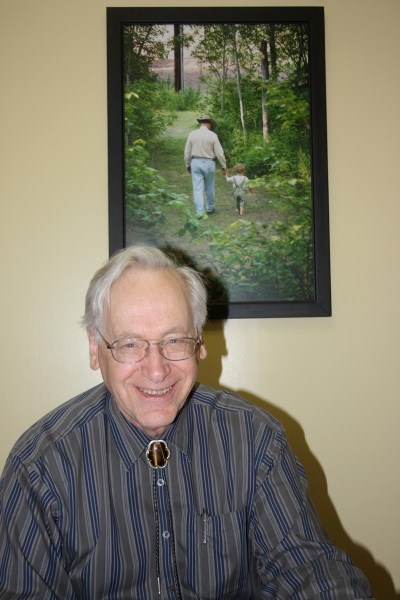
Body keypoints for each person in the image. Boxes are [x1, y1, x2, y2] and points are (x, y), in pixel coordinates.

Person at [0, 246, 374, 599]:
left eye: (175, 340)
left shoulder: (255, 439)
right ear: (95, 348)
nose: (157, 368)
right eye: (130, 344)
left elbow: (309, 569)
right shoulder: (39, 467)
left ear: (199, 345)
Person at [184, 115, 227, 218]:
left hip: (195, 162)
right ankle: (210, 208)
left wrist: (187, 164)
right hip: (209, 163)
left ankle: (199, 212)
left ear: (201, 123)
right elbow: (219, 153)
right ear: (209, 123)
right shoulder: (213, 135)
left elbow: (187, 152)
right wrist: (223, 166)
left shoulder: (192, 134)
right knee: (209, 187)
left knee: (197, 188)